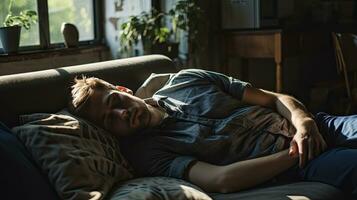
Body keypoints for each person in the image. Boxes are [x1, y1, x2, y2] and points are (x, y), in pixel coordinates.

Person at [69, 69, 357, 197]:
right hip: (296, 162)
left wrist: (304, 123)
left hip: (320, 125)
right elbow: (221, 180)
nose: (122, 114)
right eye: (110, 120)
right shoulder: (147, 153)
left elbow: (273, 98)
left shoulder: (186, 80)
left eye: (115, 103)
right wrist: (297, 153)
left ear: (123, 90)